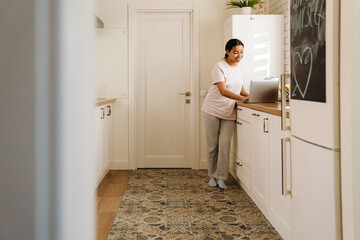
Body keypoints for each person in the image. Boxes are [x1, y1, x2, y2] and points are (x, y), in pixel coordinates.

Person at [202, 38, 249, 190]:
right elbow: (223, 90)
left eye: (241, 52)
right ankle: (212, 175)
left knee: (224, 144)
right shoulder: (219, 67)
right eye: (235, 52)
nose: (239, 56)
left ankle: (221, 176)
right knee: (212, 145)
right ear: (227, 51)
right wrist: (242, 99)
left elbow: (239, 87)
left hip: (229, 110)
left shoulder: (239, 68)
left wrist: (249, 97)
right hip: (212, 109)